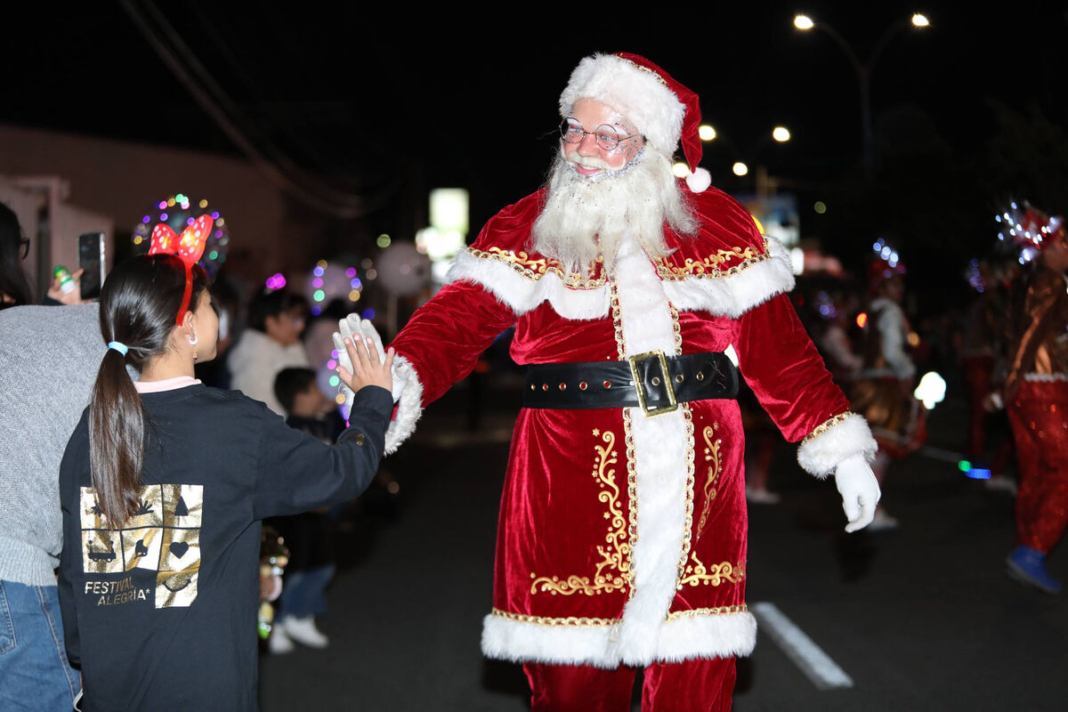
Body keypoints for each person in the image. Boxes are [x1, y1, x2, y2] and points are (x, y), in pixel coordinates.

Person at [337, 53, 880, 710]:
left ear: (652, 148)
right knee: (572, 684)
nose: (582, 151)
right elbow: (457, 320)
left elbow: (782, 354)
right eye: (573, 130)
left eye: (607, 136)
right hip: (567, 477)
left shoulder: (719, 228)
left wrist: (843, 452)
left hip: (699, 484)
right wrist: (392, 380)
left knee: (695, 676)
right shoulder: (528, 225)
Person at [56, 253, 394, 711]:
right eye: (212, 305)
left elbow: (75, 572)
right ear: (187, 325)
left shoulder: (92, 428)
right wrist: (372, 399)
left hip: (110, 689)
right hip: (203, 690)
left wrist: (85, 655)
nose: (220, 316)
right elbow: (344, 472)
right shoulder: (234, 428)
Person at [999, 208, 1068, 594]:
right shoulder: (1053, 282)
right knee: (1064, 469)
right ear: (1050, 250)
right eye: (1065, 244)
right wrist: (1014, 379)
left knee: (1038, 471)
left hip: (1029, 387)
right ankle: (1032, 550)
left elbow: (1028, 334)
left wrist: (1011, 383)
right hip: (1042, 387)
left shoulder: (1030, 282)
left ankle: (1025, 546)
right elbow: (1031, 336)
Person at [266, 367, 343, 653]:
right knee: (292, 570)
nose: (321, 394)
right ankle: (277, 621)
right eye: (314, 389)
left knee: (323, 564)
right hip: (297, 517)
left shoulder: (321, 423)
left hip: (321, 512)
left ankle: (302, 614)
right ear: (300, 395)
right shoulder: (291, 431)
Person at [228, 286, 310, 415]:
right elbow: (263, 412)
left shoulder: (293, 348)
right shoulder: (254, 358)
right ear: (271, 322)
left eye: (302, 320)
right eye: (295, 320)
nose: (301, 326)